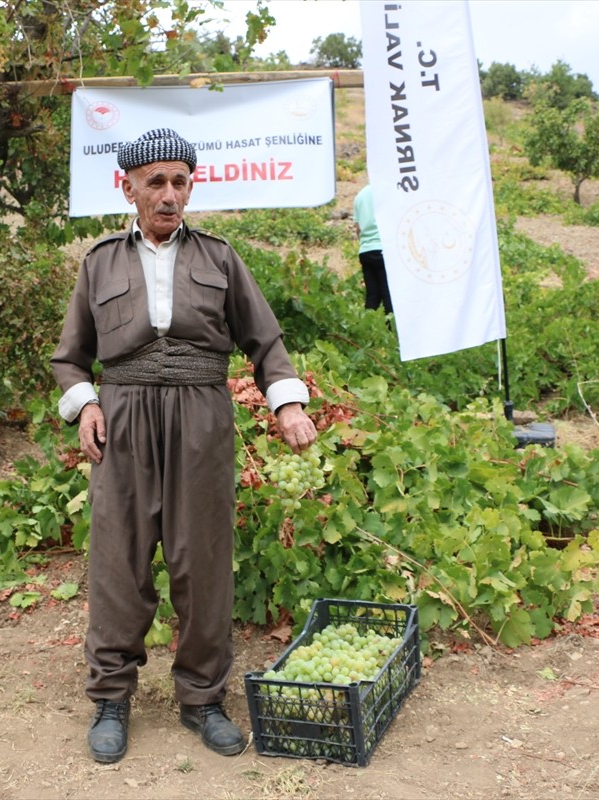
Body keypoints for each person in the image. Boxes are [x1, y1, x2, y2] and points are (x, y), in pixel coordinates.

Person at [51, 127, 318, 764]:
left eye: (180, 182)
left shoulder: (220, 259)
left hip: (201, 415)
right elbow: (69, 358)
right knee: (119, 558)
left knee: (202, 559)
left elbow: (265, 342)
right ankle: (112, 697)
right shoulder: (100, 263)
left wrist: (288, 403)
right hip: (123, 417)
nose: (170, 195)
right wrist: (86, 402)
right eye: (156, 183)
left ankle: (202, 699)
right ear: (129, 187)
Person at [352, 184, 394, 314]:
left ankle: (366, 328)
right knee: (389, 293)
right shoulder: (387, 191)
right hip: (384, 248)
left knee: (373, 295)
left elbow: (357, 228)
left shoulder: (360, 195)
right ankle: (391, 329)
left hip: (365, 250)